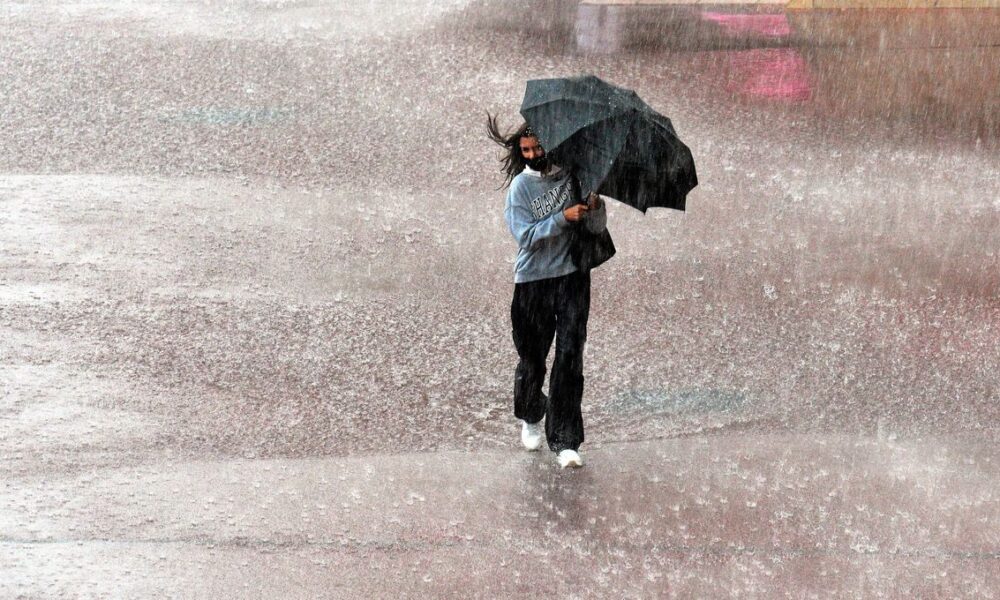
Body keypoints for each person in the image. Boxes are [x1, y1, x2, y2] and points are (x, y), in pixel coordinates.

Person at [486, 114, 608, 469]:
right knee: (532, 358)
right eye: (525, 149)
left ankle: (566, 440)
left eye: (537, 146)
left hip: (572, 277)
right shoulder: (520, 189)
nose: (533, 153)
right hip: (533, 282)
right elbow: (525, 236)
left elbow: (597, 227)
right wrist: (561, 218)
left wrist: (594, 208)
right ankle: (530, 413)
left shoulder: (575, 175)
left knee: (570, 356)